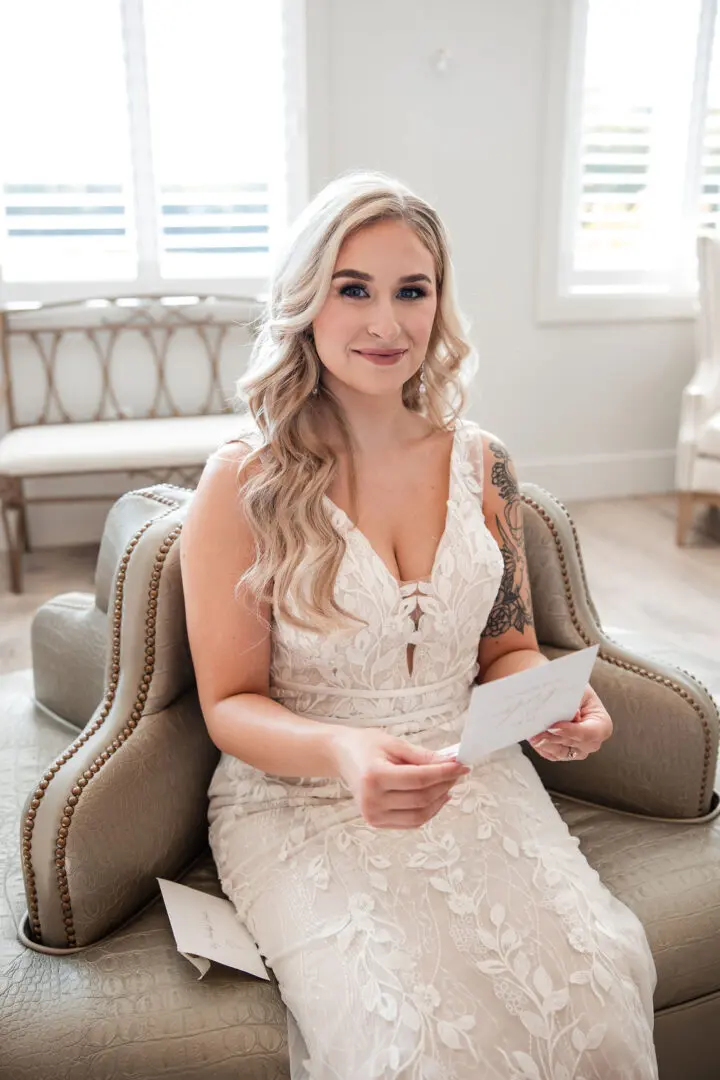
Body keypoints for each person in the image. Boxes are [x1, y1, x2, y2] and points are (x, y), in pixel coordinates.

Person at [180, 172, 658, 1080]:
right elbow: (231, 704)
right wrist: (346, 752)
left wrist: (557, 705)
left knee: (599, 984)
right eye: (353, 288)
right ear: (305, 301)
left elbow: (508, 648)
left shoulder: (485, 465)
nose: (386, 324)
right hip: (303, 798)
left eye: (413, 290)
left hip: (469, 776)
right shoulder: (243, 484)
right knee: (408, 1044)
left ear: (440, 303)